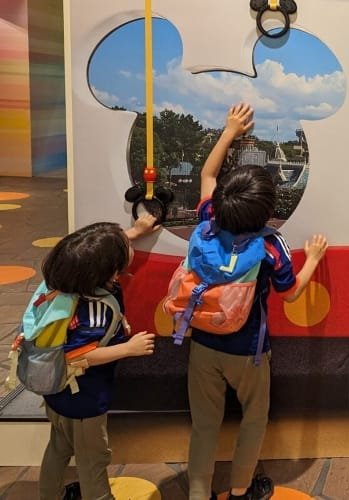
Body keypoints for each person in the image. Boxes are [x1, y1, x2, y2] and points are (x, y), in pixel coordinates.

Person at [187, 103, 328, 500]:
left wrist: (230, 129)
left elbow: (207, 173)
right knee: (253, 418)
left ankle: (197, 492)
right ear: (268, 211)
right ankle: (239, 491)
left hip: (202, 343)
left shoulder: (208, 220)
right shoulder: (270, 244)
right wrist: (314, 259)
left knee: (204, 425)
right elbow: (291, 292)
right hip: (249, 350)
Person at [38, 215, 158, 500]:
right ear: (109, 271)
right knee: (93, 461)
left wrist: (136, 231)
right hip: (84, 400)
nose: (129, 245)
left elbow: (102, 250)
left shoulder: (64, 286)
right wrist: (129, 348)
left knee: (58, 447)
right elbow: (80, 355)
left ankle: (49, 494)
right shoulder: (94, 310)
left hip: (56, 392)